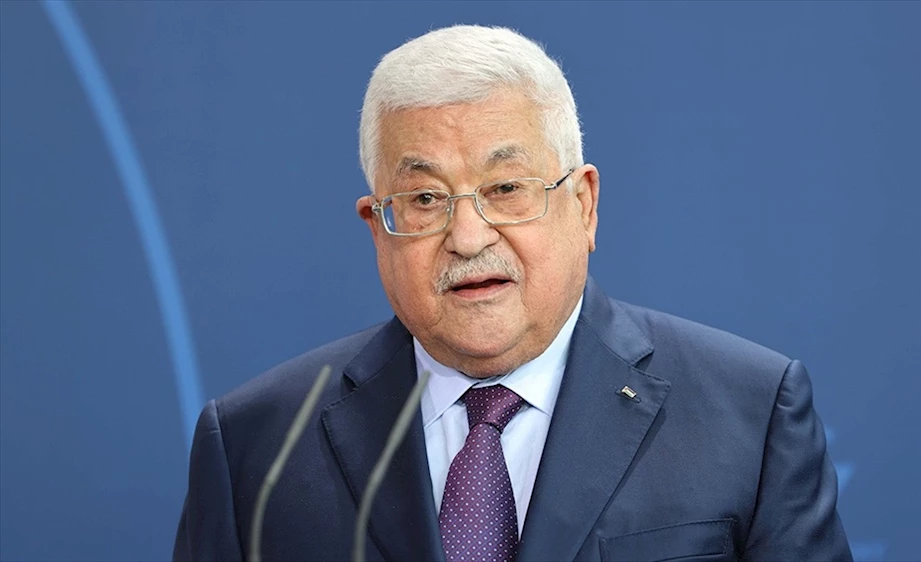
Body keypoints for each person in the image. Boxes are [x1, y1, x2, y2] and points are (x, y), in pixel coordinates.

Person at [174, 24, 852, 562]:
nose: (468, 237)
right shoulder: (253, 445)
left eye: (505, 188)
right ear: (377, 228)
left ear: (583, 205)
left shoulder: (750, 414)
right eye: (424, 199)